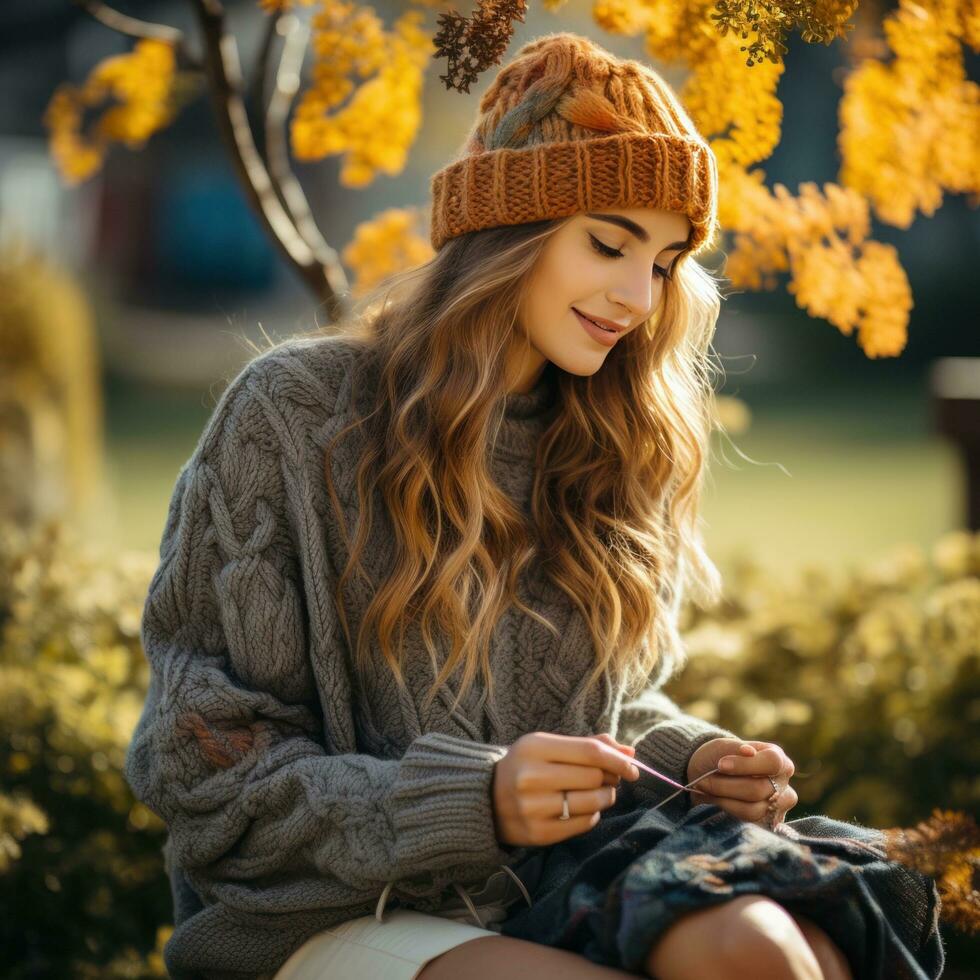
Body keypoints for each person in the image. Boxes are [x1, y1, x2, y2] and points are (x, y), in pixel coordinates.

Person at [123, 30, 945, 980]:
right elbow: (202, 767)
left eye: (668, 261)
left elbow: (603, 703)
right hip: (323, 912)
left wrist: (688, 757)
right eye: (609, 242)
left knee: (779, 953)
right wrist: (474, 802)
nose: (638, 296)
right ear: (506, 234)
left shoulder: (608, 435)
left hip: (555, 883)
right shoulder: (292, 417)